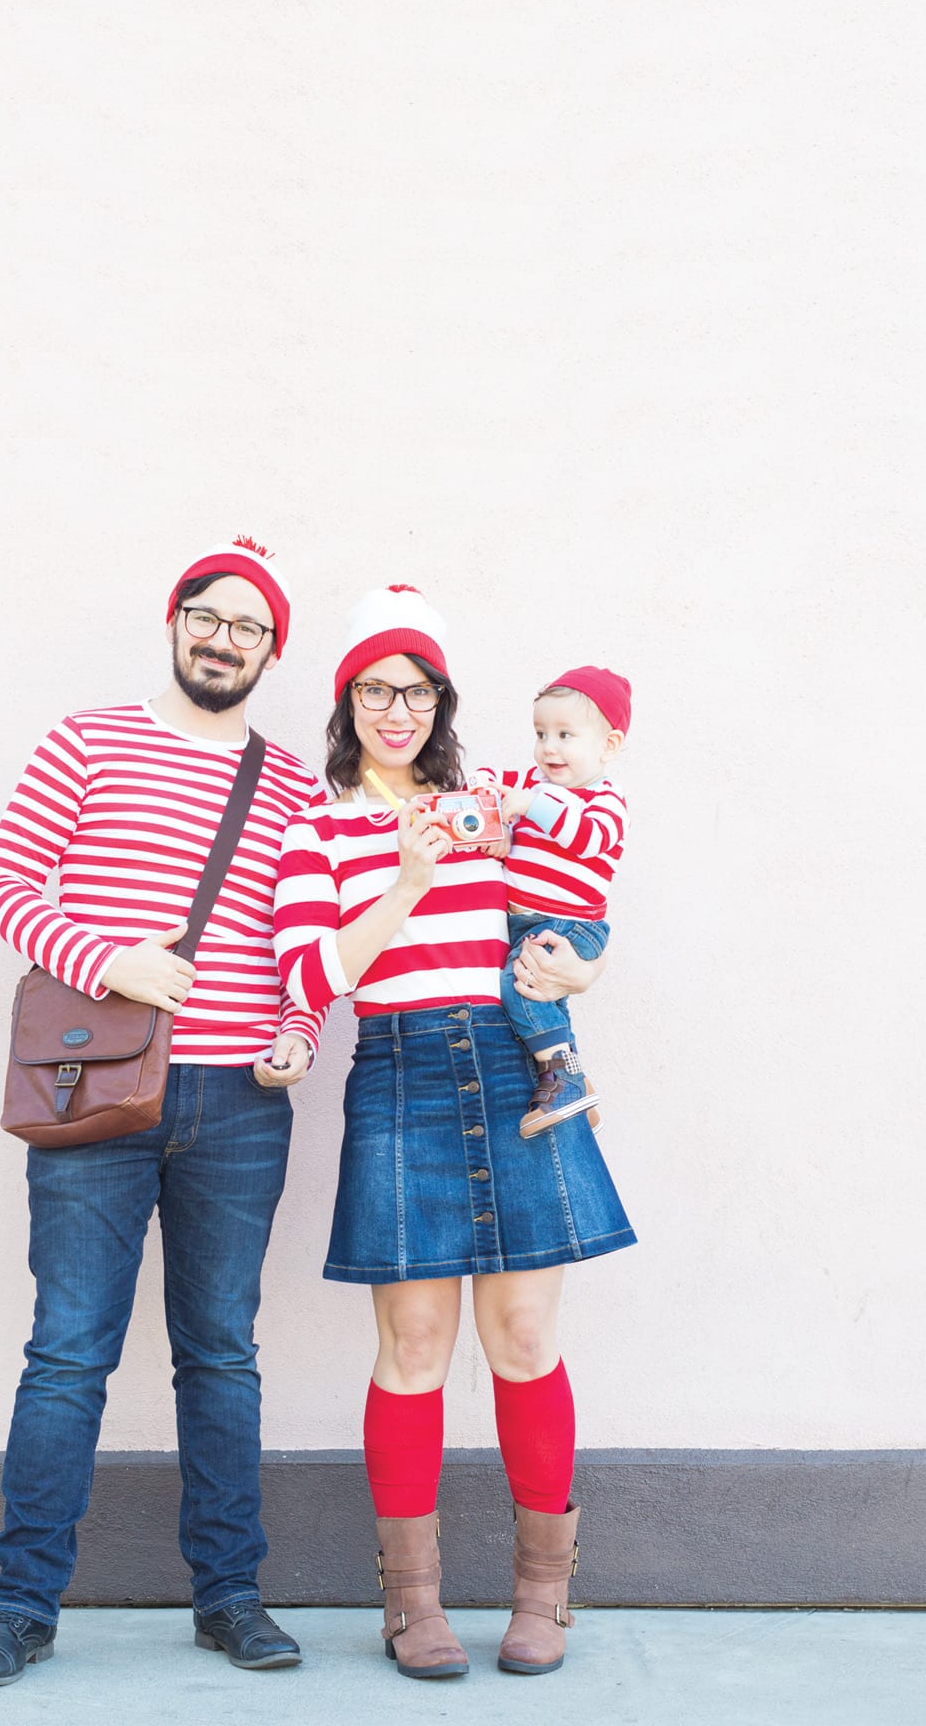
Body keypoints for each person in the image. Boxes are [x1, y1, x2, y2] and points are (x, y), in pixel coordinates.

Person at [0, 537, 324, 1687]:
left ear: (272, 651)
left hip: (238, 1106)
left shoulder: (296, 783)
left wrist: (300, 1030)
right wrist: (110, 959)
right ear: (176, 622)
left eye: (249, 628)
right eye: (208, 618)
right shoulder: (87, 740)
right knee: (67, 1353)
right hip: (99, 1091)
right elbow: (2, 885)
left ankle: (231, 1596)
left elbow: (300, 942)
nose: (225, 640)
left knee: (222, 1354)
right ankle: (22, 1607)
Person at [273, 584, 636, 1682]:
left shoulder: (493, 792)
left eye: (418, 691)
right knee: (415, 1349)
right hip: (398, 1074)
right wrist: (409, 880)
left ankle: (544, 1596)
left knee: (524, 1340)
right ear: (349, 702)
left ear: (441, 702)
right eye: (378, 691)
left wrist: (589, 965)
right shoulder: (316, 823)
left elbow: (571, 895)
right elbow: (310, 973)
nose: (399, 711)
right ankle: (413, 1605)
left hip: (511, 1057)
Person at [474, 665, 631, 1134]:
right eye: (541, 733)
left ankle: (564, 1081)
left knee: (519, 990)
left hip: (571, 923)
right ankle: (580, 1094)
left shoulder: (604, 799)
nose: (549, 747)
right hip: (529, 923)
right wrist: (493, 808)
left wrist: (527, 804)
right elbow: (484, 775)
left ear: (608, 745)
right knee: (547, 1002)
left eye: (566, 734)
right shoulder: (531, 779)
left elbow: (587, 838)